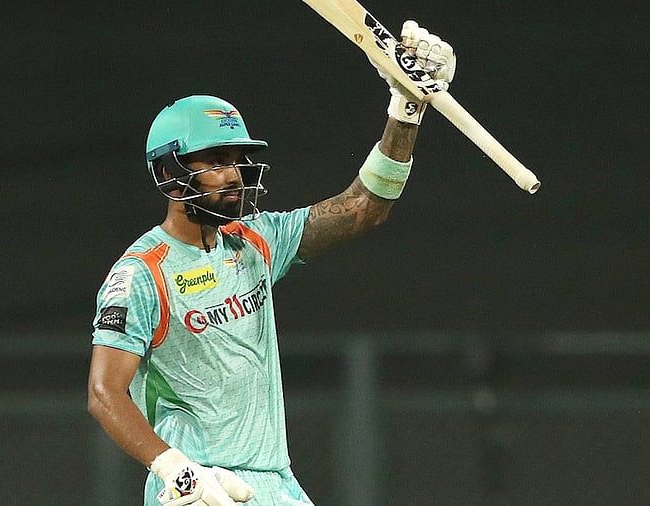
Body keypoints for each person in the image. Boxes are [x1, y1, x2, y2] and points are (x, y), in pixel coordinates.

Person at [87, 20, 456, 506]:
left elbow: (365, 208)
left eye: (238, 159)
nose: (235, 174)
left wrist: (405, 109)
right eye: (216, 159)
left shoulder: (256, 240)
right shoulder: (140, 273)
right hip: (199, 490)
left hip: (276, 483)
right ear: (168, 174)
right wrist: (178, 471)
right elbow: (104, 393)